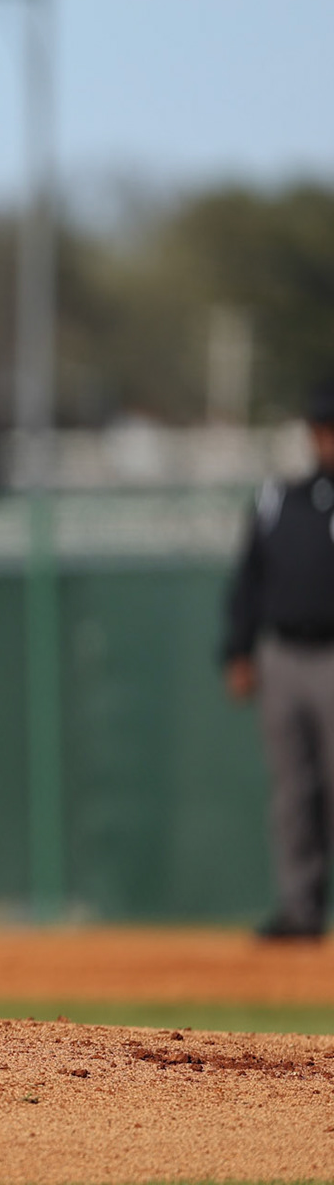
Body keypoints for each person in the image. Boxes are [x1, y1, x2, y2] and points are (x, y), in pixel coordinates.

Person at [223, 377, 334, 940]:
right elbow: (248, 578)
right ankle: (301, 908)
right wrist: (238, 649)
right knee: (294, 789)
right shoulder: (278, 498)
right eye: (322, 429)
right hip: (284, 655)